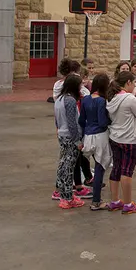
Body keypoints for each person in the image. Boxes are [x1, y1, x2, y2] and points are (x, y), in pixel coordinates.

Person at [106, 71, 136, 214]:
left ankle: (115, 200)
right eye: (134, 83)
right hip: (129, 139)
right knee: (127, 171)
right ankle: (128, 203)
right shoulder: (130, 98)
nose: (135, 85)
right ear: (128, 82)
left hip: (115, 137)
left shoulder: (111, 97)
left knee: (116, 168)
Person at [79, 73, 112, 210]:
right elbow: (102, 122)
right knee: (100, 167)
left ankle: (96, 199)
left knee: (95, 164)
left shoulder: (85, 99)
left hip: (88, 135)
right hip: (100, 135)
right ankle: (96, 201)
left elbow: (81, 120)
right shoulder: (101, 101)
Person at [54, 74, 86, 209]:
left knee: (63, 164)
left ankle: (62, 193)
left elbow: (57, 119)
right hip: (70, 136)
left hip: (62, 134)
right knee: (69, 166)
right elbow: (72, 123)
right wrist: (77, 141)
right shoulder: (70, 101)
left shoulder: (59, 99)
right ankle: (68, 197)